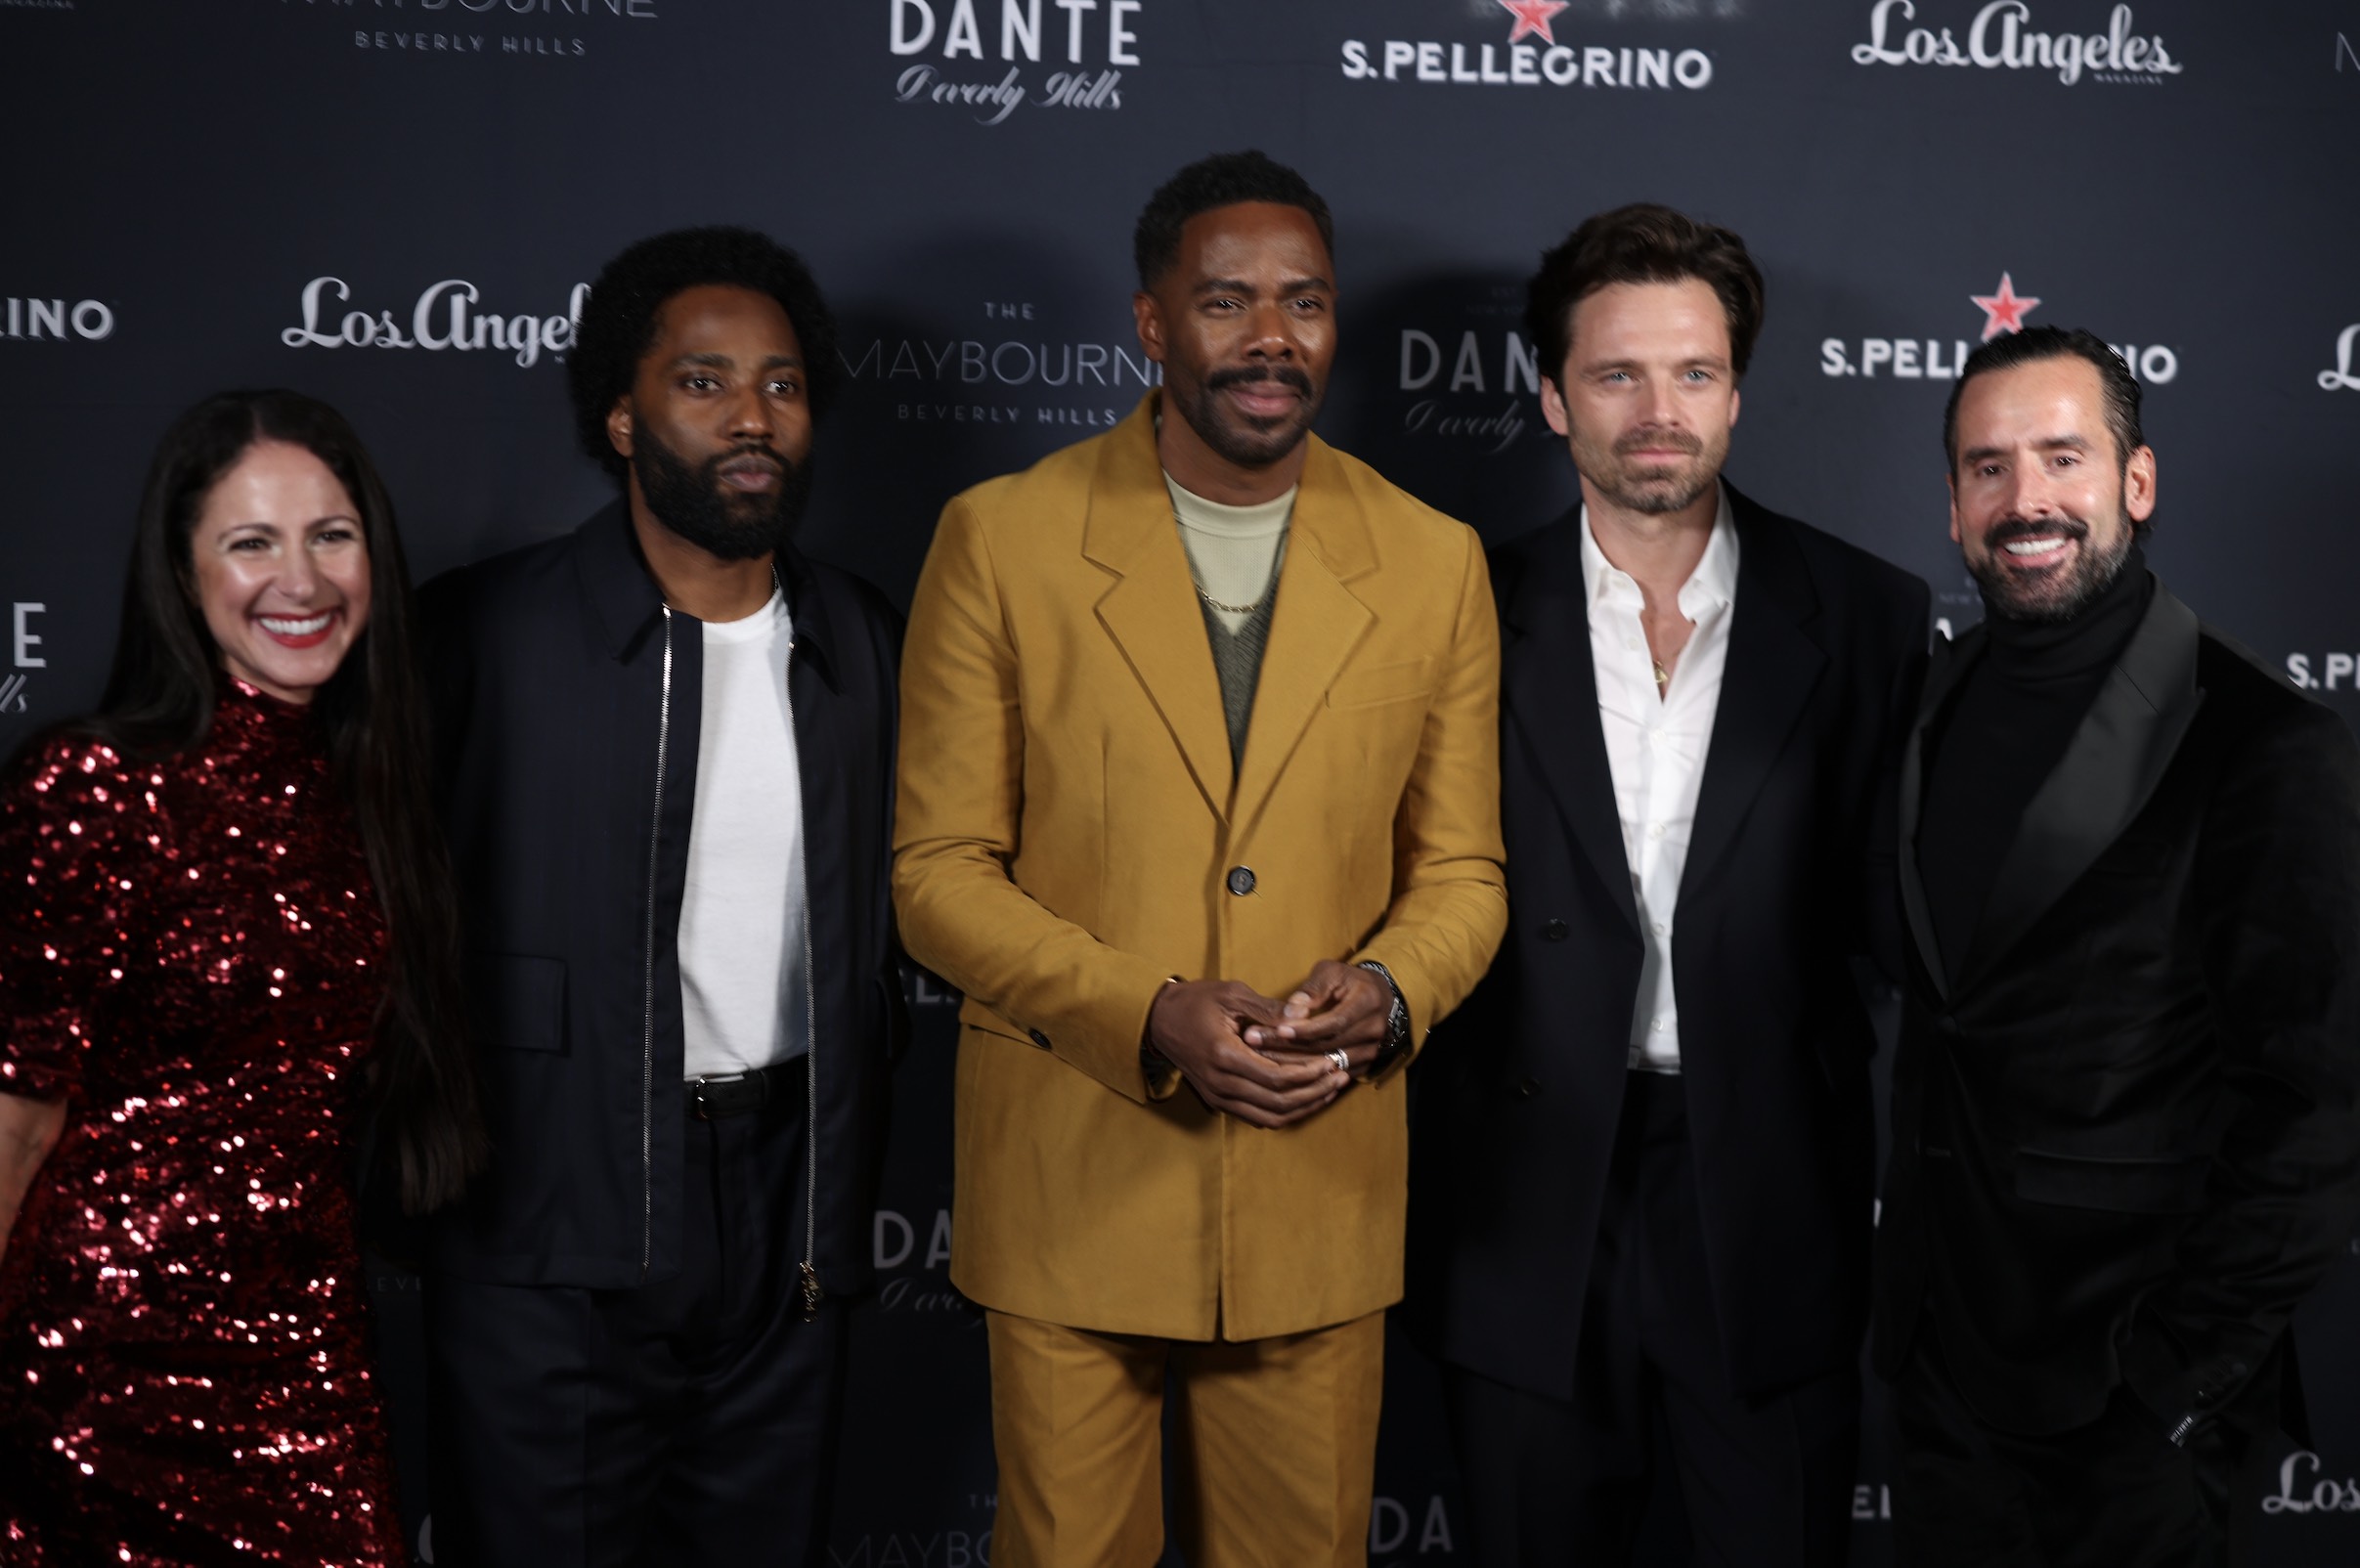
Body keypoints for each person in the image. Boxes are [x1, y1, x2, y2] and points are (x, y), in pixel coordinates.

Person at [893, 150, 1507, 1567]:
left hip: (1316, 1193)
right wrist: (1147, 1010)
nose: (1270, 337)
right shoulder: (1001, 539)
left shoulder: (1431, 560)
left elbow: (1464, 875)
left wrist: (1395, 991)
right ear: (1151, 323)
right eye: (1226, 302)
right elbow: (934, 870)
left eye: (1303, 301)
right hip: (1072, 1187)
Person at [1402, 203, 1930, 1565]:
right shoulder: (1452, 601)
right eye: (1616, 373)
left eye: (1692, 372)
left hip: (1766, 1205)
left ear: (1738, 395)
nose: (1657, 411)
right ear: (1548, 395)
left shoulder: (1864, 612)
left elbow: (1898, 916)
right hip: (1520, 1205)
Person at [415, 227, 906, 1568]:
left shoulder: (863, 635)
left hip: (789, 1221)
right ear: (622, 418)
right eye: (703, 382)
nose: (752, 416)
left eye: (783, 384)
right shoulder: (479, 633)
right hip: (545, 1211)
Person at [1874, 326, 2360, 1563]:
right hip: (1939, 1383)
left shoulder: (2264, 745)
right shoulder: (1922, 708)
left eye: (2060, 457)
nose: (2023, 498)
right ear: (1949, 506)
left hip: (2128, 1412)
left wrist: (2173, 1382)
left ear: (2134, 484)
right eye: (1986, 467)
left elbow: (2315, 1107)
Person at [0, 389, 483, 1566]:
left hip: (310, 1354)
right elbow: (13, 1121)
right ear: (184, 567)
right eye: (251, 540)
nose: (301, 581)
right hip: (98, 1365)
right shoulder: (96, 782)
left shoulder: (366, 794)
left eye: (332, 533)